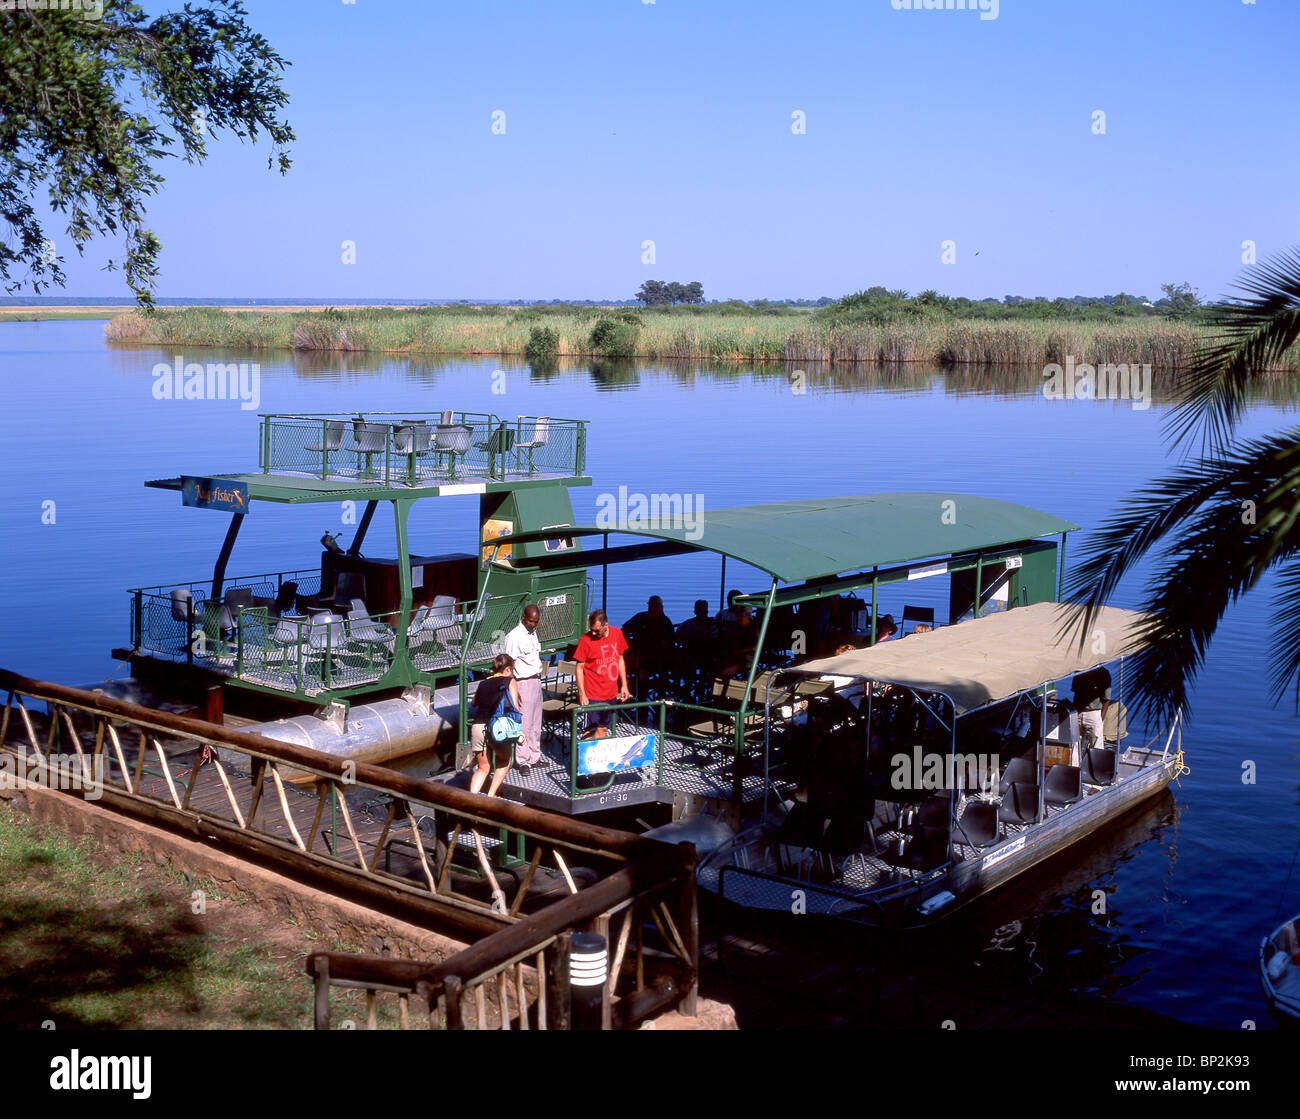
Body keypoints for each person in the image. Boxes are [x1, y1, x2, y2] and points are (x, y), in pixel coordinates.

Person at [468, 654, 522, 798]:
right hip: (497, 728)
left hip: (478, 726)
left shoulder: (483, 683)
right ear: (509, 669)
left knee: (483, 767)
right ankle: (491, 795)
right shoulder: (510, 681)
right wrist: (519, 733)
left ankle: (470, 801)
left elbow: (474, 703)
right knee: (504, 760)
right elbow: (515, 708)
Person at [574, 609, 630, 733]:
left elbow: (620, 659)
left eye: (597, 630)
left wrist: (624, 685)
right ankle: (585, 751)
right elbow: (579, 667)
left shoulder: (617, 633)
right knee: (594, 729)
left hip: (611, 693)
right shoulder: (585, 640)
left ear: (606, 625)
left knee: (603, 727)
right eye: (591, 629)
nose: (593, 633)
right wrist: (582, 693)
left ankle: (589, 751)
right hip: (593, 693)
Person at [503, 603, 543, 775]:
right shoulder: (514, 637)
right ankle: (523, 761)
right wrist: (513, 690)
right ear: (524, 618)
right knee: (524, 724)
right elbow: (509, 666)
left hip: (536, 680)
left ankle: (534, 757)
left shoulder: (532, 633)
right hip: (523, 683)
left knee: (536, 723)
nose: (534, 624)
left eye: (536, 622)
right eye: (531, 621)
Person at [623, 595, 675, 698]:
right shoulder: (640, 617)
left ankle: (659, 697)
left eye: (655, 606)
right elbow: (625, 629)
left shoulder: (665, 622)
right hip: (640, 658)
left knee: (659, 675)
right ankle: (641, 698)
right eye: (651, 606)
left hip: (659, 660)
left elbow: (670, 642)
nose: (652, 609)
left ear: (661, 607)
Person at [1071, 665, 1112, 759]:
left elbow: (1107, 699)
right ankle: (1074, 767)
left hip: (1094, 712)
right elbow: (1075, 692)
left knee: (1097, 744)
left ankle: (1095, 769)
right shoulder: (1079, 671)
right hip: (1078, 711)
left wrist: (1100, 719)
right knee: (1074, 743)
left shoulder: (1103, 673)